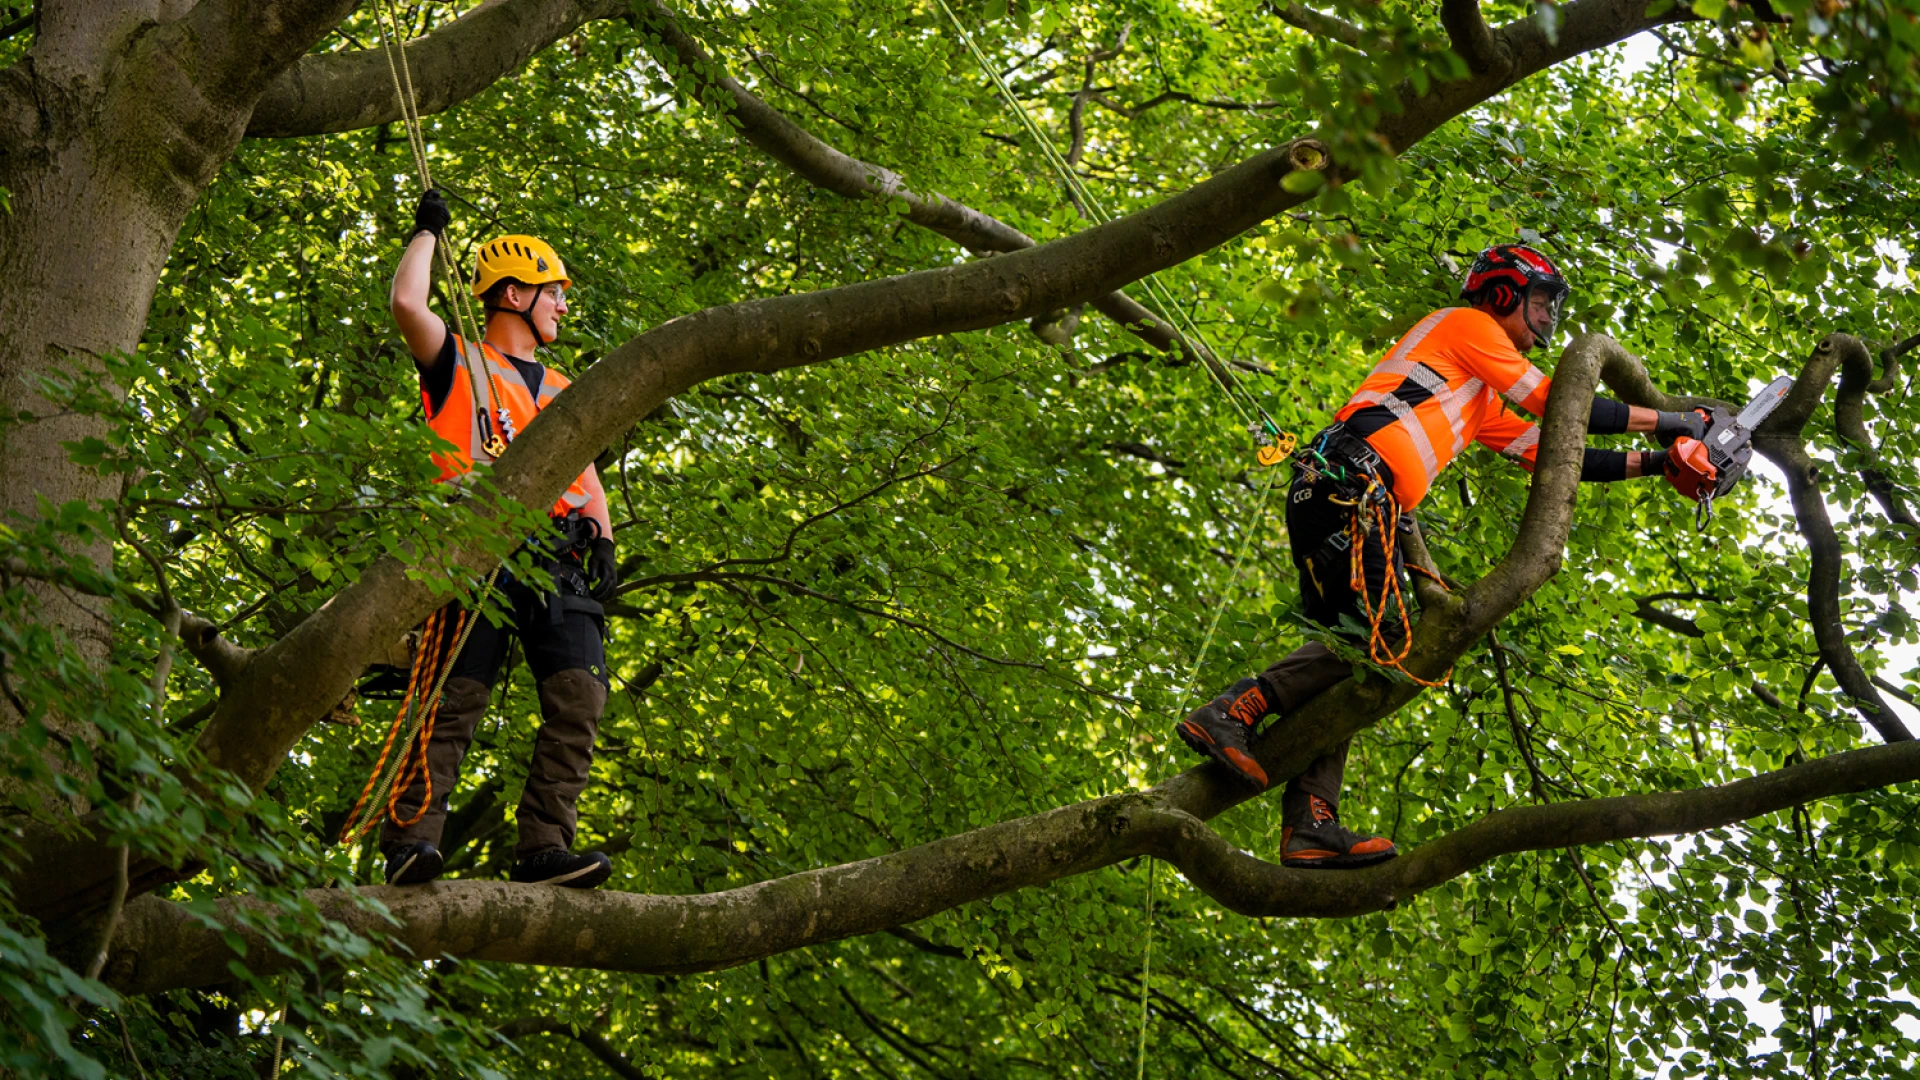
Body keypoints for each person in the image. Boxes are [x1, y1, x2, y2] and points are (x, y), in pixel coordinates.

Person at [1174, 244, 1713, 870]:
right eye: (1538, 303)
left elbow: (1552, 447)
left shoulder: (1478, 395)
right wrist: (1673, 421)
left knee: (1356, 654)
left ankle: (1311, 823)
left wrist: (1659, 462)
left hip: (1345, 492)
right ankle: (1235, 710)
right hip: (1353, 483)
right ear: (1504, 294)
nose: (1545, 320)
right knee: (1384, 638)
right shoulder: (1470, 326)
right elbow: (1559, 402)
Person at [380, 189, 622, 889]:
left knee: (580, 696)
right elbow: (406, 305)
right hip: (474, 542)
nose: (563, 307)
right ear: (514, 294)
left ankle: (544, 848)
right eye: (554, 293)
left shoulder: (565, 388)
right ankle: (411, 843)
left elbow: (587, 478)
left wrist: (603, 541)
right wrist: (426, 232)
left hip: (556, 557)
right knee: (455, 697)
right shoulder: (459, 361)